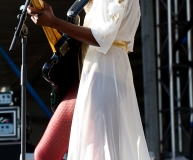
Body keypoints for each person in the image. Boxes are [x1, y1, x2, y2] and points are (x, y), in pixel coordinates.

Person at [27, 0, 151, 159]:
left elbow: (101, 36)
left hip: (105, 75)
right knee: (46, 153)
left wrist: (53, 22)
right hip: (90, 74)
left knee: (95, 153)